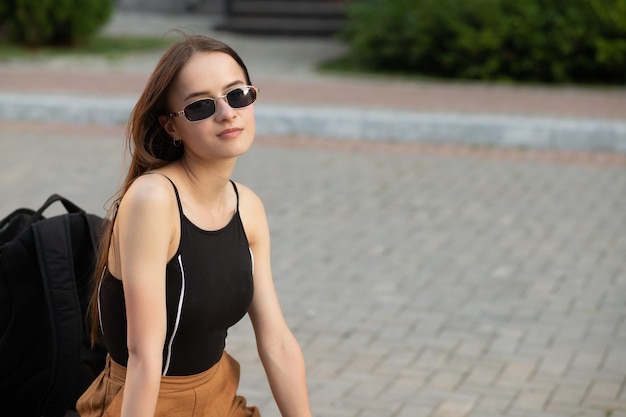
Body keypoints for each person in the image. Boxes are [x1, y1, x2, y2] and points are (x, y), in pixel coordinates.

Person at [77, 34, 312, 417]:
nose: (227, 113)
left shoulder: (248, 206)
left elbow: (277, 343)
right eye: (201, 106)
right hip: (147, 402)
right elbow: (145, 357)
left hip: (219, 396)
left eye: (237, 95)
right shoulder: (152, 200)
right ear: (171, 127)